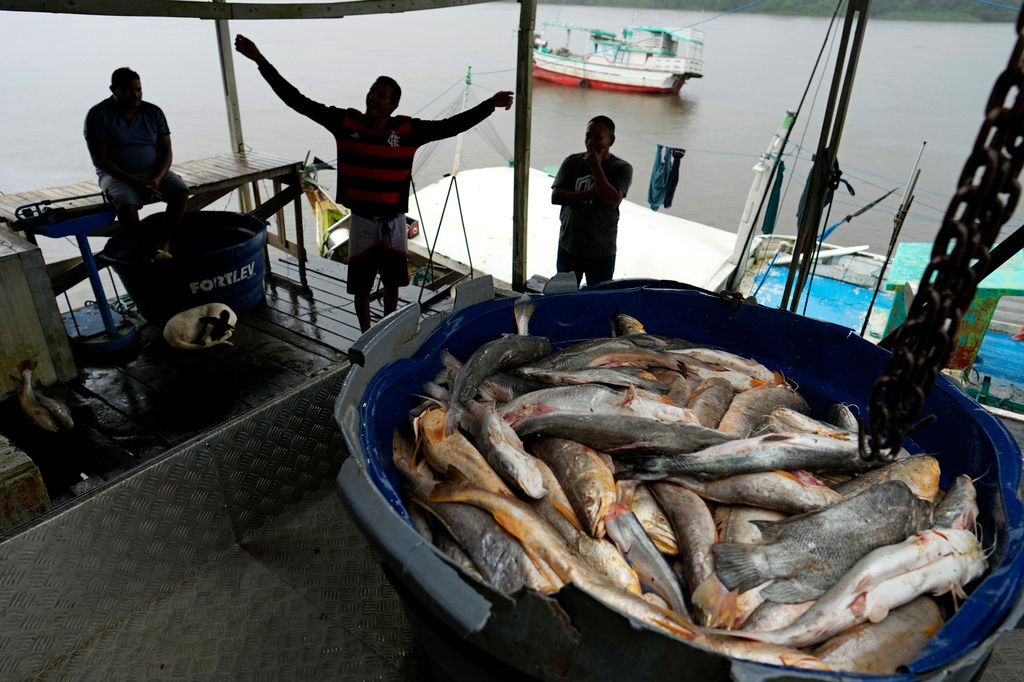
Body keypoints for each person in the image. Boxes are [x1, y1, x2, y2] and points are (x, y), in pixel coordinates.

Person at [234, 35, 514, 333]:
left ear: (393, 105)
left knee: (393, 282)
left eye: (381, 95)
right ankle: (367, 334)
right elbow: (298, 102)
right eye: (372, 91)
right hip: (362, 222)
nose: (373, 97)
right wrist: (261, 61)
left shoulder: (408, 130)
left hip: (394, 222)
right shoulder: (345, 122)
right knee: (361, 286)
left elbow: (450, 126)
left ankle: (388, 330)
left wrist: (489, 105)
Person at [85, 67, 189, 261]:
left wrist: (157, 179)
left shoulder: (153, 112)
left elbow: (166, 151)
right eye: (128, 90)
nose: (135, 95)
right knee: (126, 204)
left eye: (138, 89)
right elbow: (99, 159)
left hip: (154, 171)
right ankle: (141, 252)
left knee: (180, 191)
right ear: (113, 90)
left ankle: (164, 246)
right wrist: (135, 181)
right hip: (116, 175)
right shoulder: (98, 115)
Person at [551, 116, 633, 287]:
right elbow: (557, 197)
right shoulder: (572, 161)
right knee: (564, 296)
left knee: (599, 299)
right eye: (588, 136)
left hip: (601, 252)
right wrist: (592, 193)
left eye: (598, 137)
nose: (590, 142)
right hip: (569, 247)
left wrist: (595, 166)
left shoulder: (621, 168)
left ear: (611, 139)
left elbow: (612, 201)